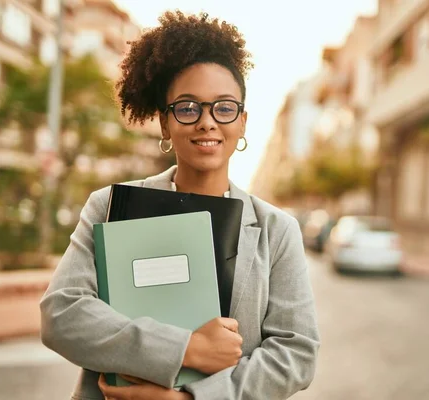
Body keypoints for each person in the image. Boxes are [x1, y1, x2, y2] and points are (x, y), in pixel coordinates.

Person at [40, 10, 320, 400]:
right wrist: (187, 349)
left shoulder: (277, 230)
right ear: (165, 123)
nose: (207, 122)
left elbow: (295, 354)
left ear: (242, 122)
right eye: (188, 108)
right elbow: (62, 315)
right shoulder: (109, 206)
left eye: (224, 108)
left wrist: (190, 399)